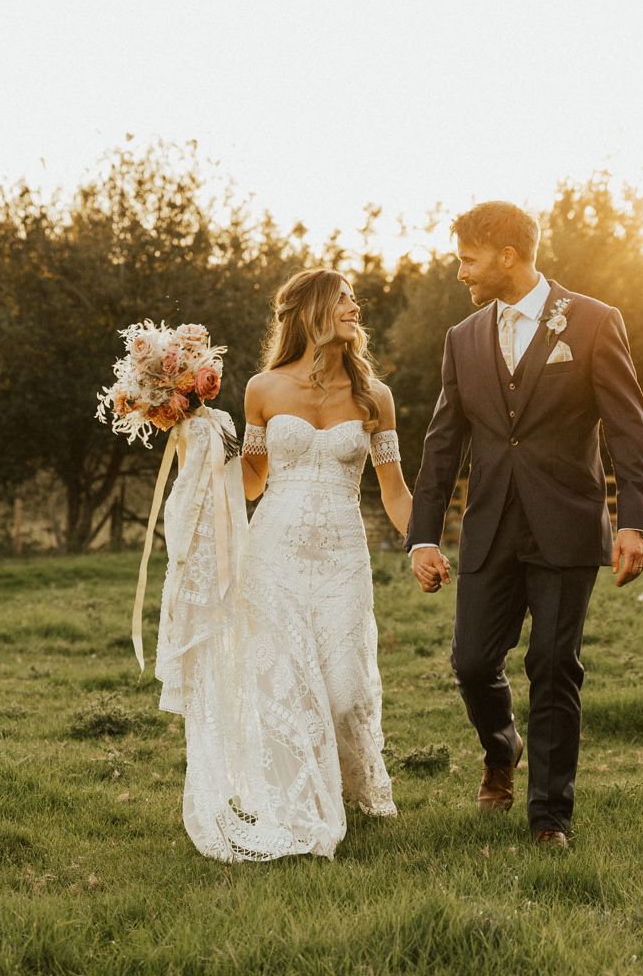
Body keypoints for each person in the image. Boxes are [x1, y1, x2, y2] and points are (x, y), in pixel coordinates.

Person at [156, 267, 437, 861]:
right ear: (310, 311)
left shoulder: (373, 397)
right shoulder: (263, 388)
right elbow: (253, 481)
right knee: (285, 685)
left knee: (345, 692)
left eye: (354, 300)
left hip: (342, 556)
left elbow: (393, 490)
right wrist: (203, 449)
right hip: (274, 554)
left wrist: (423, 540)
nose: (355, 308)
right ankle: (294, 802)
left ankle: (352, 787)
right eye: (343, 300)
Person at [406, 201, 643, 847]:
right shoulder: (462, 339)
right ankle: (501, 750)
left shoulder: (596, 322)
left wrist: (635, 521)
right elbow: (442, 444)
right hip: (490, 527)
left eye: (468, 259)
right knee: (471, 662)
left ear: (506, 255)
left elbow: (629, 429)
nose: (461, 272)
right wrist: (425, 536)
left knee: (553, 662)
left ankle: (550, 816)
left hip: (567, 525)